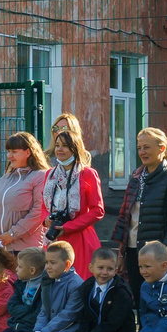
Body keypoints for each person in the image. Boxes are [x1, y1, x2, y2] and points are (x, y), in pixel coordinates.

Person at [112, 127, 167, 281]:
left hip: (157, 254)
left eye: (147, 147)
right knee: (139, 300)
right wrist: (121, 253)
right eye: (139, 148)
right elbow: (125, 218)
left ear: (162, 148)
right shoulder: (136, 179)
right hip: (133, 251)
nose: (142, 152)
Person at [42, 116, 105, 277]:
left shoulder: (88, 173)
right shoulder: (50, 174)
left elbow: (97, 210)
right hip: (54, 238)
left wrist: (68, 227)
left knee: (79, 285)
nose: (59, 150)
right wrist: (46, 220)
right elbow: (44, 206)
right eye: (57, 146)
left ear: (75, 148)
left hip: (80, 239)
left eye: (65, 146)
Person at [0, 132, 48, 259]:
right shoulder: (4, 179)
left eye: (14, 152)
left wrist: (12, 234)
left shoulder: (41, 176)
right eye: (8, 151)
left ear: (28, 152)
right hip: (1, 249)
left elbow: (38, 211)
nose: (9, 156)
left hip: (27, 251)